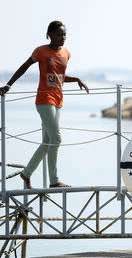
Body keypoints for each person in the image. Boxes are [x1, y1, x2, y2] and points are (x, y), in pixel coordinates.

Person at [0, 21, 89, 189]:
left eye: (64, 35)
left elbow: (59, 76)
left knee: (48, 142)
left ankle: (26, 174)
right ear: (49, 35)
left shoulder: (66, 53)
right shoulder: (41, 51)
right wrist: (8, 85)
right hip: (44, 100)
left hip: (58, 101)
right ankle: (54, 181)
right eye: (58, 35)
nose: (62, 38)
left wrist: (76, 79)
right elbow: (24, 67)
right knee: (56, 138)